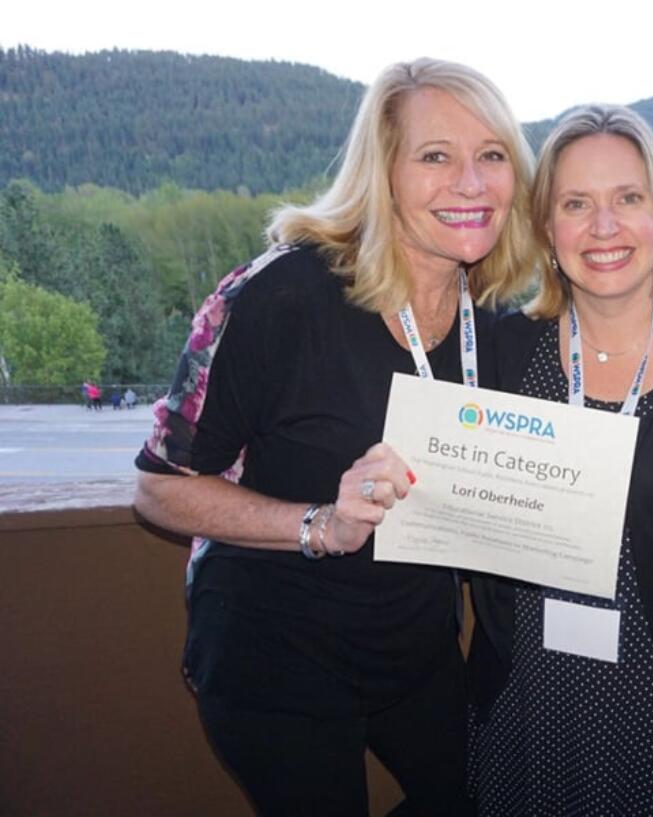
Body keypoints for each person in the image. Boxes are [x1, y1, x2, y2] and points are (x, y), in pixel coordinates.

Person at [132, 58, 536, 816]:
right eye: (435, 156)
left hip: (411, 651)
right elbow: (158, 488)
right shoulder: (280, 297)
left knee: (485, 792)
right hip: (275, 654)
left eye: (492, 155)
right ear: (381, 173)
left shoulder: (491, 316)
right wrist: (319, 523)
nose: (472, 183)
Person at [469, 105, 653, 816]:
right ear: (546, 227)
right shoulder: (503, 350)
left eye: (628, 199)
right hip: (525, 699)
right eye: (576, 204)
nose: (604, 228)